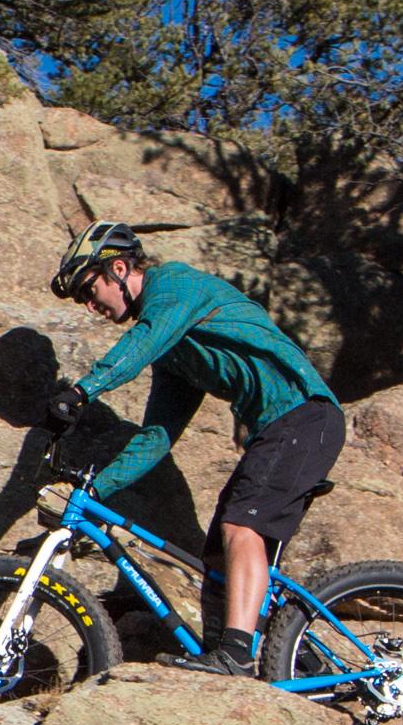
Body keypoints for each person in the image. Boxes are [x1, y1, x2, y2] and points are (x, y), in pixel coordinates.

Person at [46, 221, 345, 676]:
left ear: (120, 268)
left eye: (90, 290)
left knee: (241, 526)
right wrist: (93, 491)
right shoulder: (176, 353)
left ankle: (237, 655)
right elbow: (157, 436)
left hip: (303, 416)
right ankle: (292, 657)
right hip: (278, 431)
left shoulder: (177, 288)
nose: (90, 306)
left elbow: (143, 341)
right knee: (218, 558)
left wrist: (82, 391)